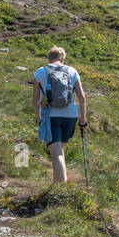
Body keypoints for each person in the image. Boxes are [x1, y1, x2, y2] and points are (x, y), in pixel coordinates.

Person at [32, 45, 87, 184]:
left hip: (51, 116)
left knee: (56, 154)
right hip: (71, 116)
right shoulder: (72, 71)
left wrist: (39, 118)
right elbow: (82, 98)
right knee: (59, 150)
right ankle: (57, 183)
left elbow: (35, 101)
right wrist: (82, 121)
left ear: (49, 58)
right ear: (63, 59)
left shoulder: (40, 72)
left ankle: (62, 188)